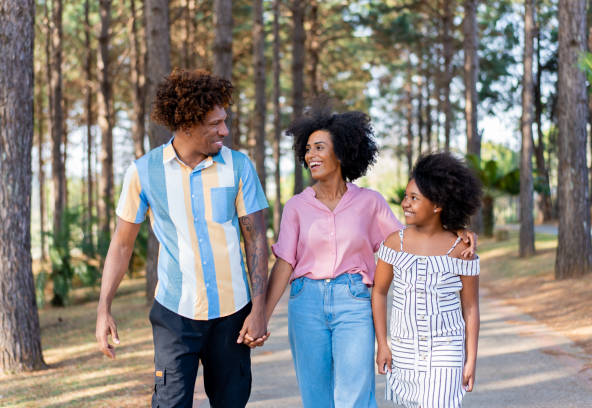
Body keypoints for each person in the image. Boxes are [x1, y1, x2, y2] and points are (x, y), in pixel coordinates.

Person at [262, 108, 476, 407]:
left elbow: (412, 238)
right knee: (315, 398)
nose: (311, 154)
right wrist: (262, 316)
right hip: (305, 302)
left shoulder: (369, 202)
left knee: (356, 396)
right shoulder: (296, 206)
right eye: (307, 149)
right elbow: (285, 262)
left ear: (342, 152)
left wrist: (457, 231)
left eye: (319, 147)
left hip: (353, 301)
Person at [95, 69, 269, 408]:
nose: (225, 130)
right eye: (215, 123)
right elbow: (121, 244)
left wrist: (259, 309)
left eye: (225, 120)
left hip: (232, 316)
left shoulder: (238, 167)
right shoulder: (143, 172)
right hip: (175, 315)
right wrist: (104, 309)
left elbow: (257, 241)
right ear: (187, 124)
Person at [372, 152, 482, 408]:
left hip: (446, 349)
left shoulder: (461, 248)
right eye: (406, 196)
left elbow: (471, 307)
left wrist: (471, 359)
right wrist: (382, 344)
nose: (405, 203)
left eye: (414, 198)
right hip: (403, 350)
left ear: (437, 205)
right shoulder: (394, 243)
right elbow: (378, 293)